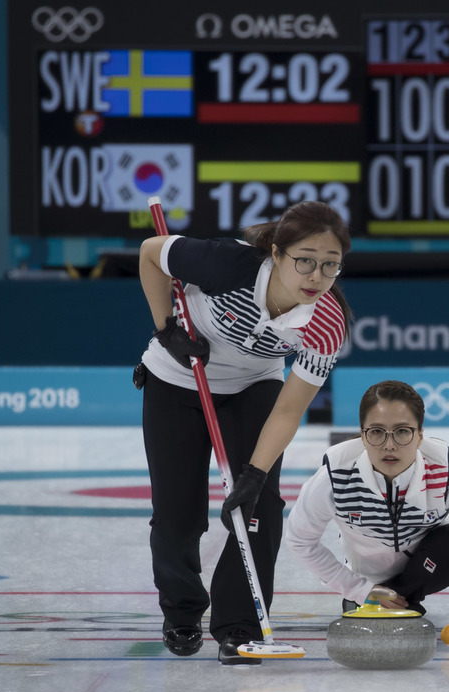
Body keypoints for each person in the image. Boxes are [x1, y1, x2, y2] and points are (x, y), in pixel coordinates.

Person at [135, 200, 353, 665]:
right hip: (177, 376)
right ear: (276, 254)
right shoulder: (227, 263)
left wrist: (255, 473)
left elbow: (289, 409)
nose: (316, 276)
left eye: (330, 265)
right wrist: (165, 329)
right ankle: (181, 610)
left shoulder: (327, 323)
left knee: (259, 506)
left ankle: (239, 626)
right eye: (306, 261)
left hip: (253, 384)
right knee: (177, 512)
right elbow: (151, 251)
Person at [285, 380, 449, 624]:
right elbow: (300, 540)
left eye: (403, 431)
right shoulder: (335, 476)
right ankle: (375, 599)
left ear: (419, 436)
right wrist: (359, 589)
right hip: (366, 575)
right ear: (362, 436)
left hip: (429, 566)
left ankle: (398, 598)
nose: (389, 444)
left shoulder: (444, 473)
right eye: (376, 432)